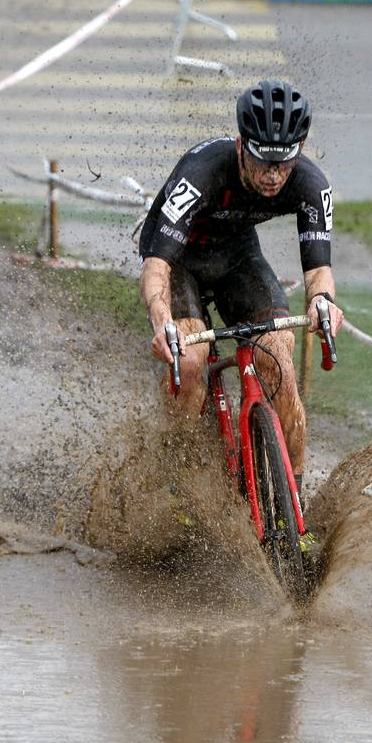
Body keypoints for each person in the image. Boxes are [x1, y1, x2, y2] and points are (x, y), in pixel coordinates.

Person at [138, 79, 345, 490]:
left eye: (283, 163)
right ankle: (176, 480)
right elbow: (157, 265)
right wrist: (163, 321)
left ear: (299, 151)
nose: (272, 176)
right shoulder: (201, 173)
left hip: (237, 257)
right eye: (262, 161)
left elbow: (318, 272)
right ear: (240, 146)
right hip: (180, 261)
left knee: (280, 366)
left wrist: (324, 303)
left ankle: (293, 507)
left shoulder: (311, 185)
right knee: (193, 360)